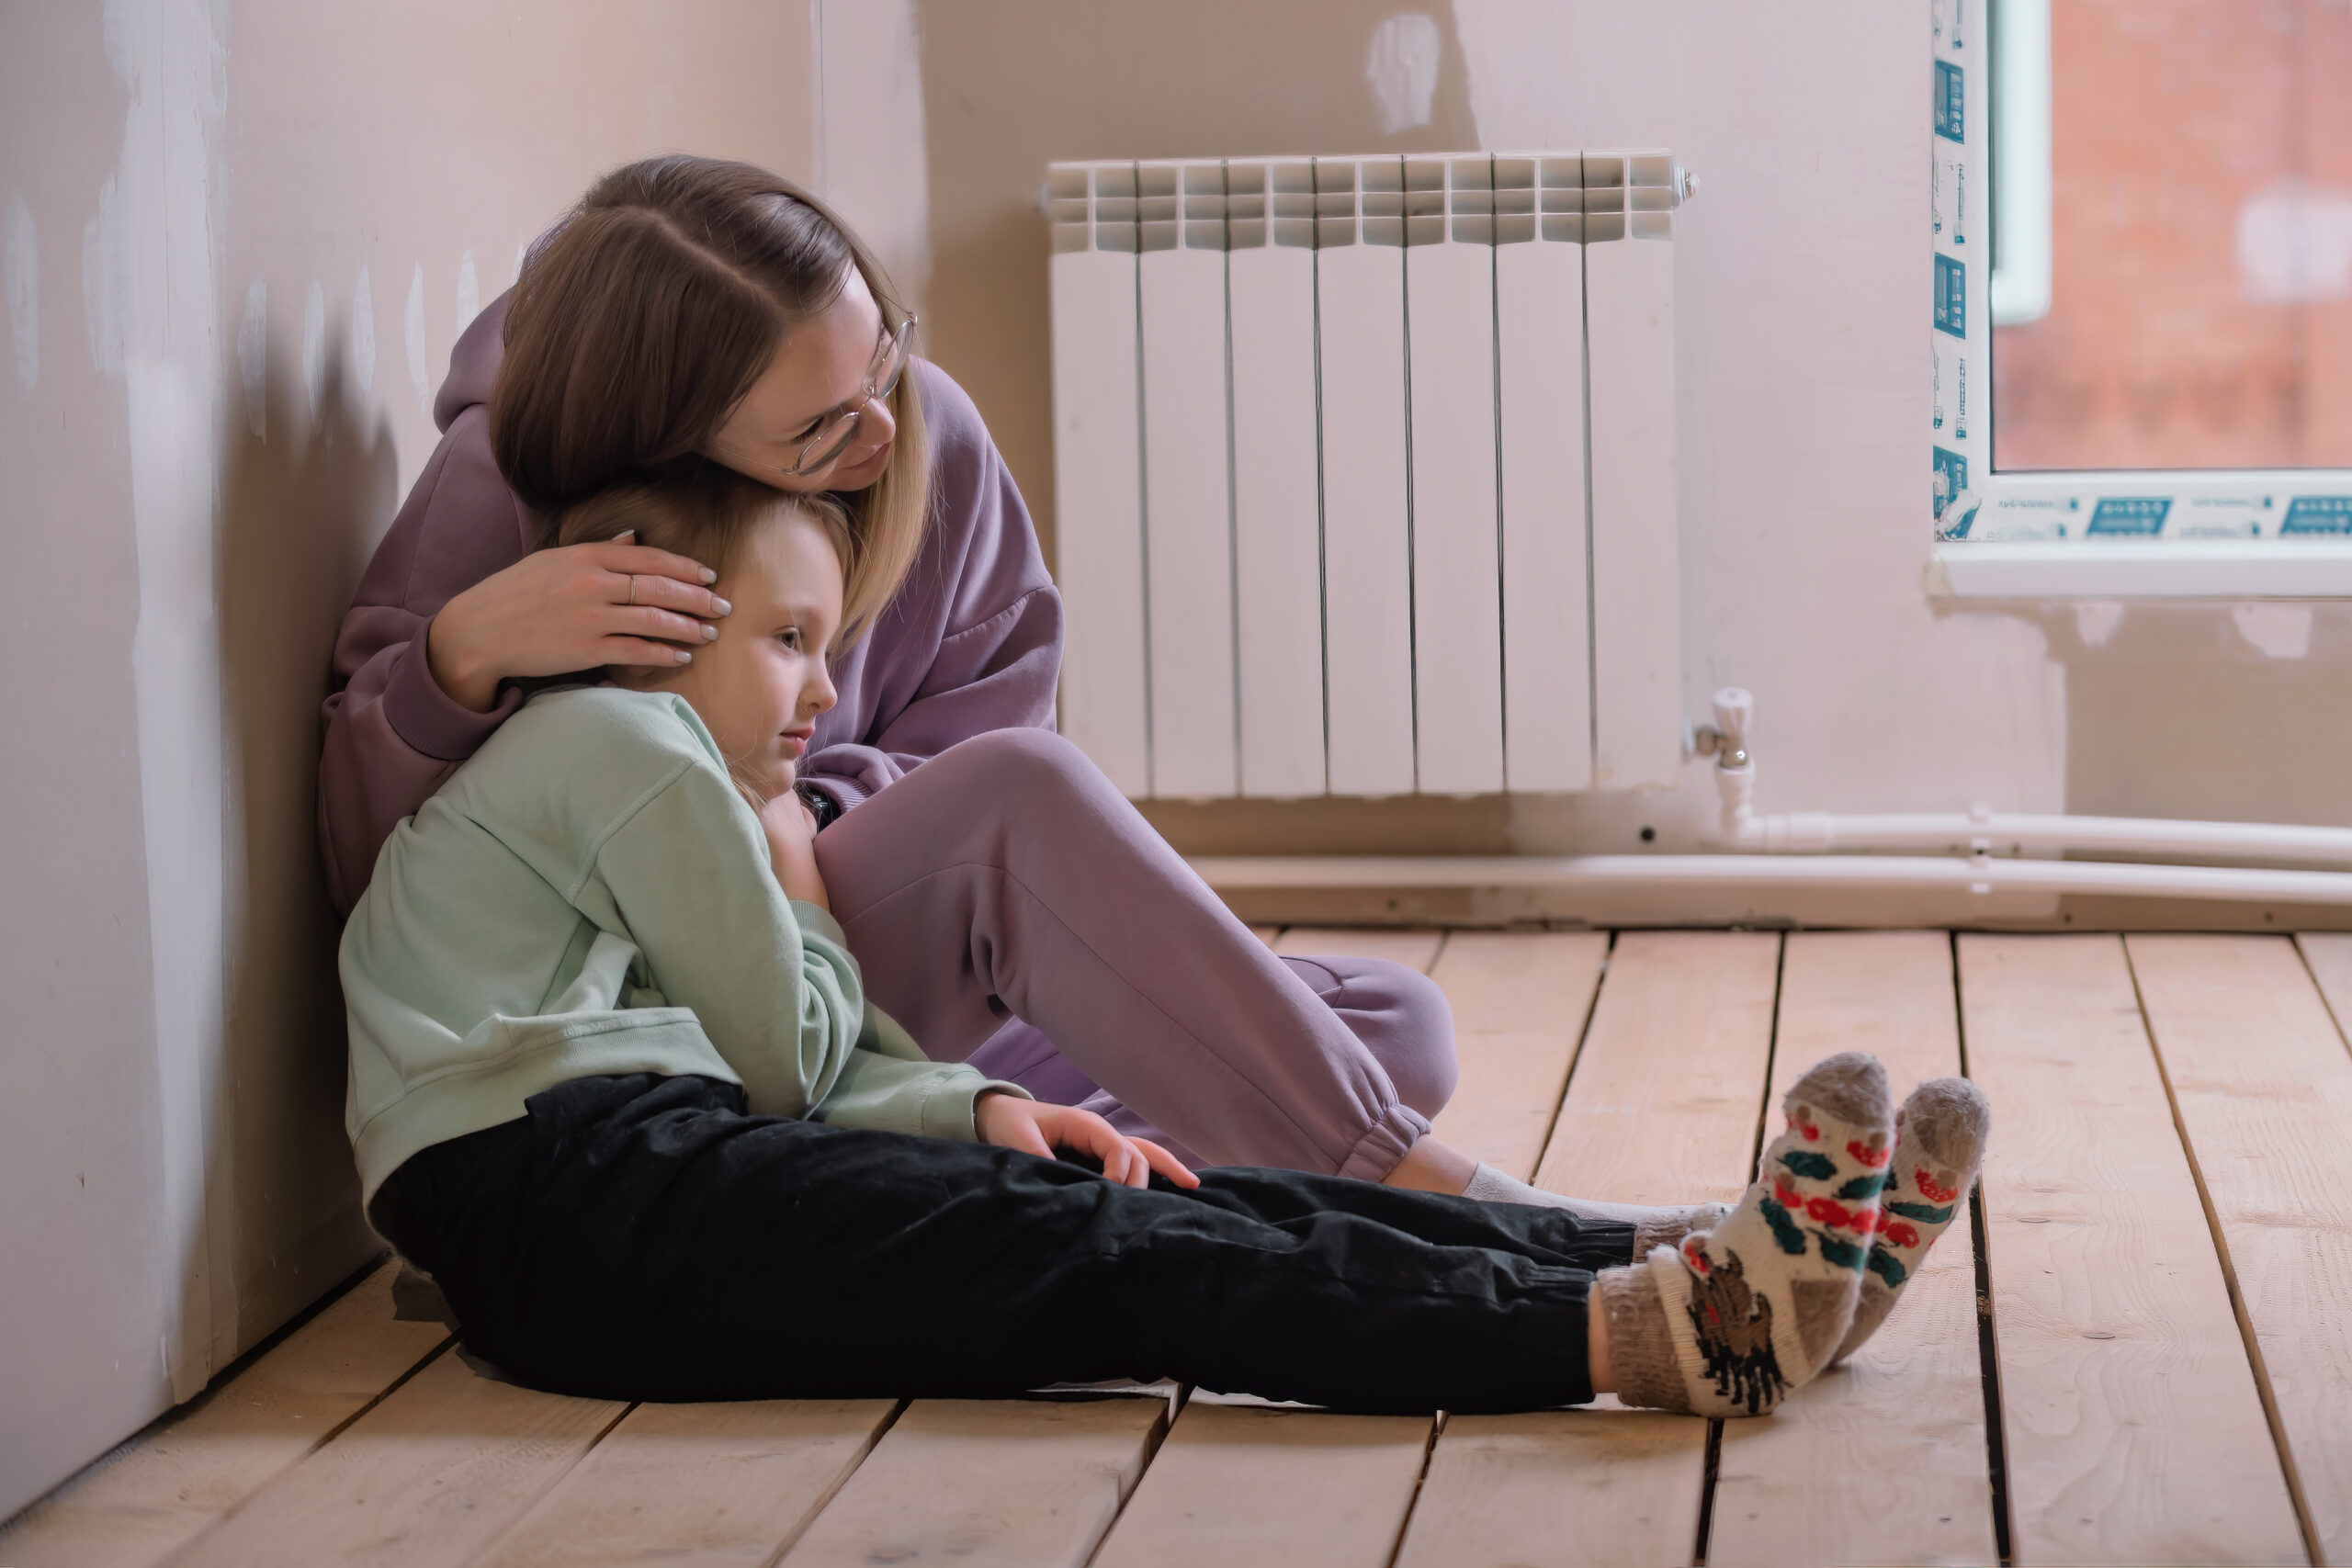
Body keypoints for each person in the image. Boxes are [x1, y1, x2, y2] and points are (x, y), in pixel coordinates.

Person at [344, 464, 1994, 1416]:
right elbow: (785, 1056)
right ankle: (1653, 1330)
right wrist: (792, 875)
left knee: (1166, 1196)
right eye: (789, 642)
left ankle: (1711, 1267)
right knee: (1123, 1266)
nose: (827, 694)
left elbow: (790, 1075)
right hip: (578, 1201)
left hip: (608, 1189)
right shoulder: (620, 747)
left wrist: (976, 1110)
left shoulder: (585, 785)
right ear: (660, 620)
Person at [319, 152, 1496, 1198]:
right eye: (820, 434)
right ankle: (1450, 1201)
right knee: (1025, 805)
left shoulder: (919, 427)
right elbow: (375, 876)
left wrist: (804, 811)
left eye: (882, 359)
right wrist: (455, 659)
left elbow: (989, 701)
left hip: (870, 946)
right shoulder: (496, 487)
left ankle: (988, 1159)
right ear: (672, 442)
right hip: (690, 1003)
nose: (883, 435)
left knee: (1395, 1028)